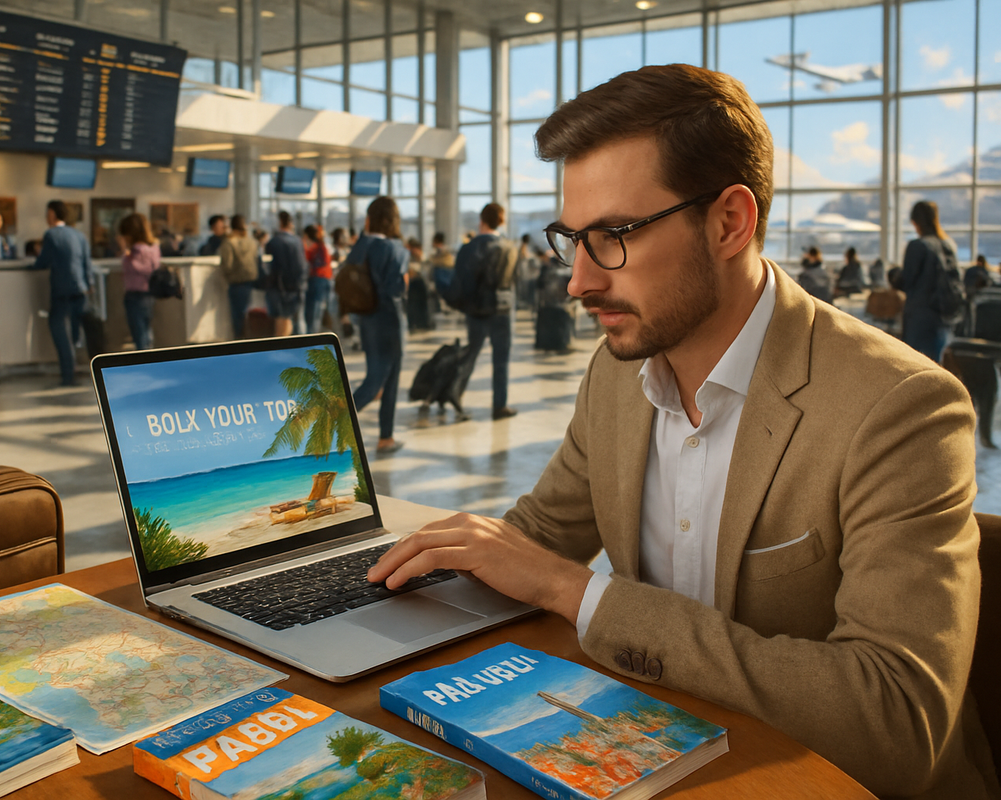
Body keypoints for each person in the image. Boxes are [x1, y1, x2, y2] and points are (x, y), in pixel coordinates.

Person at [367, 64, 995, 799]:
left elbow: (897, 724)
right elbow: (533, 542)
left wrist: (585, 595)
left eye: (614, 236)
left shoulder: (899, 407)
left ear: (730, 221)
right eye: (572, 238)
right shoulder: (614, 374)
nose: (578, 282)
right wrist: (370, 590)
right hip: (655, 757)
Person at [349, 196, 409, 454]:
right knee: (382, 382)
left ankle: (386, 436)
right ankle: (382, 437)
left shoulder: (360, 246)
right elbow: (398, 288)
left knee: (374, 378)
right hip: (390, 322)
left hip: (367, 320)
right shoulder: (396, 249)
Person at [455, 202, 520, 420]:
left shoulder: (469, 247)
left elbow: (462, 281)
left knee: (470, 355)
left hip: (477, 310)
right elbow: (515, 279)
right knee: (501, 359)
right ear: (501, 221)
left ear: (481, 221)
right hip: (503, 309)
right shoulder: (510, 247)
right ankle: (499, 406)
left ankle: (456, 396)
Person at [30, 200, 94, 386]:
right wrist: (89, 284)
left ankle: (68, 374)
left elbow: (43, 262)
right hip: (81, 291)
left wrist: (31, 264)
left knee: (60, 333)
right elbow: (86, 263)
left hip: (61, 291)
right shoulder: (79, 235)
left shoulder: (51, 235)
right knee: (75, 333)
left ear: (52, 213)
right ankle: (81, 369)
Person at [899, 200, 958, 363]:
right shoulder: (948, 246)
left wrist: (894, 276)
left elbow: (907, 281)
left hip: (920, 318)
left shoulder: (917, 246)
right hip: (943, 316)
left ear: (915, 222)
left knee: (914, 366)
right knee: (937, 367)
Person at [117, 212, 160, 351]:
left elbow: (140, 268)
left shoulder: (136, 251)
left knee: (139, 333)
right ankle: (149, 359)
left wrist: (126, 253)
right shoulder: (154, 247)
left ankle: (144, 362)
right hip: (149, 294)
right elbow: (154, 267)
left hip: (135, 294)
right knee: (146, 332)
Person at [263, 211, 307, 337]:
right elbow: (301, 265)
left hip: (279, 287)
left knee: (282, 318)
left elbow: (268, 266)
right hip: (295, 286)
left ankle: (281, 346)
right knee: (292, 319)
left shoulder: (274, 242)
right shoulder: (297, 241)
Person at [219, 214, 259, 338]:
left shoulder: (229, 242)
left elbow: (227, 265)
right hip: (251, 281)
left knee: (237, 316)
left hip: (236, 283)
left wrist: (227, 276)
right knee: (248, 314)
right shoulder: (252, 241)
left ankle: (239, 342)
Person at [303, 223, 333, 333]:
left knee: (313, 313)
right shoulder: (321, 247)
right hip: (322, 280)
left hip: (317, 280)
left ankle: (312, 338)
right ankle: (312, 336)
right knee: (315, 313)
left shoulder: (317, 247)